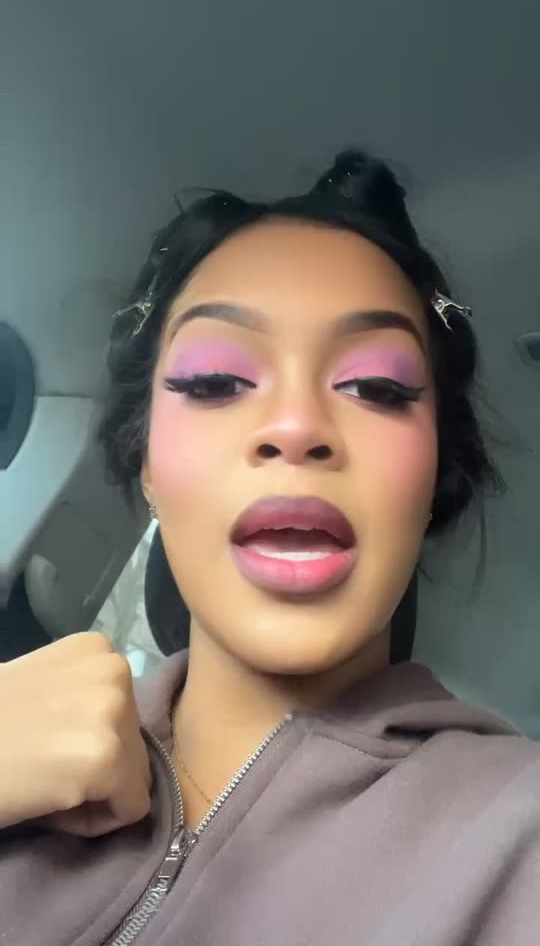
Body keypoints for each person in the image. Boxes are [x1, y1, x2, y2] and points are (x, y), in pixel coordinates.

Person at [1, 150, 539, 946]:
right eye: (215, 381)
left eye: (378, 388)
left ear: (433, 477)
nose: (296, 428)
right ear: (146, 464)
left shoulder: (516, 839)